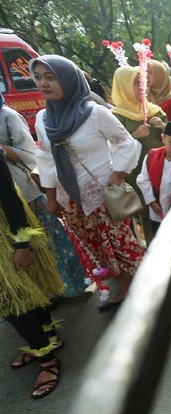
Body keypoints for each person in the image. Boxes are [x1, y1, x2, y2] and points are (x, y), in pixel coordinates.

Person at [32, 55, 144, 313]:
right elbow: (45, 157)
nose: (43, 83)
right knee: (97, 247)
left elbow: (124, 142)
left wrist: (116, 177)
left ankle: (140, 290)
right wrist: (50, 196)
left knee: (120, 245)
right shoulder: (42, 119)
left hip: (103, 196)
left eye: (51, 77)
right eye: (38, 78)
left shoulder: (95, 114)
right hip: (70, 200)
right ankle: (123, 286)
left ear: (69, 80)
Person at [1, 91, 85, 298]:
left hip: (25, 191)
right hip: (6, 198)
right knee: (31, 249)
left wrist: (2, 150)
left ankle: (72, 288)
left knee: (52, 242)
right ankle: (49, 292)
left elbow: (31, 155)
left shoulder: (8, 116)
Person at [1, 151, 65, 399]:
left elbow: (9, 199)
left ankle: (47, 360)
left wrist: (22, 245)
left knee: (13, 301)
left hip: (8, 234)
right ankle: (48, 338)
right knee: (25, 294)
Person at [110, 65, 168, 243]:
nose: (141, 88)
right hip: (135, 176)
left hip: (161, 170)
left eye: (142, 83)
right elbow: (111, 148)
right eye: (135, 83)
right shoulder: (115, 117)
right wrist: (133, 136)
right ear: (123, 86)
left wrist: (165, 127)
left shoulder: (154, 110)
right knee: (146, 215)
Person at [136, 122, 171, 238]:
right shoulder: (151, 157)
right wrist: (151, 201)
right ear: (163, 138)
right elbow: (142, 179)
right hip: (157, 208)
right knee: (159, 236)